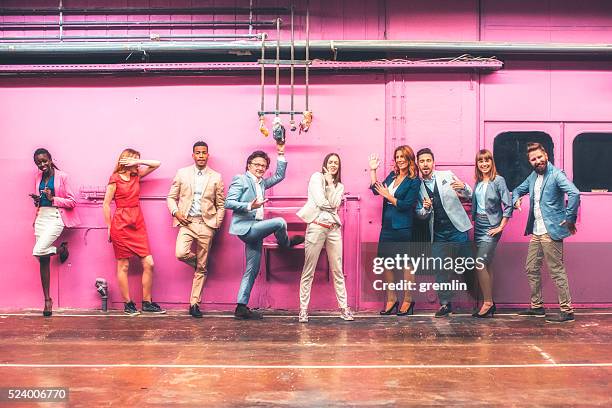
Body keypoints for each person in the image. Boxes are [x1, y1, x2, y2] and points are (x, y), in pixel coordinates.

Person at [225, 142, 304, 320]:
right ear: (249, 165)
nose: (260, 168)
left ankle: (241, 306)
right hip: (246, 228)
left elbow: (279, 175)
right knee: (279, 222)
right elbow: (228, 202)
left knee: (252, 269)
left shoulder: (261, 183)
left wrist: (281, 152)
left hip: (256, 229)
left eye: (263, 165)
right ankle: (286, 243)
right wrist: (248, 205)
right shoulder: (241, 179)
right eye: (257, 165)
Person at [512, 142, 580, 323]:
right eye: (533, 159)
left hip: (551, 232)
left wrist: (570, 218)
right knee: (531, 268)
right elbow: (518, 189)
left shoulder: (557, 175)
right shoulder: (533, 177)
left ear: (546, 156)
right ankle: (537, 307)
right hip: (536, 231)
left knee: (556, 270)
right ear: (530, 162)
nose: (537, 161)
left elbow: (574, 193)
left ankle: (567, 311)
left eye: (539, 157)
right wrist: (515, 199)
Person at [103, 148, 165, 316]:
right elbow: (106, 204)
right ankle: (128, 304)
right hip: (121, 224)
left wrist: (137, 162)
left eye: (138, 161)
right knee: (124, 265)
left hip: (137, 222)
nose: (137, 164)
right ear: (125, 161)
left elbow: (157, 164)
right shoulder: (114, 179)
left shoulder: (136, 175)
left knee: (149, 263)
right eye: (134, 160)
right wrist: (109, 226)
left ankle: (147, 302)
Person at [167, 141, 225, 318]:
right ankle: (203, 264)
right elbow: (171, 197)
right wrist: (176, 213)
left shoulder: (216, 177)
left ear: (208, 155)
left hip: (206, 224)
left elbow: (221, 204)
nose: (201, 155)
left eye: (204, 153)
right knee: (180, 253)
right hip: (187, 222)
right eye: (198, 153)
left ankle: (194, 303)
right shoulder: (182, 173)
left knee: (200, 269)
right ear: (193, 155)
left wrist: (216, 224)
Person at [416, 148, 472, 317]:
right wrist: (424, 209)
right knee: (440, 269)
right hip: (437, 233)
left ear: (433, 162)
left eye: (428, 160)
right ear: (418, 164)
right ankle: (445, 304)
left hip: (457, 228)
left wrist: (464, 188)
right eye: (422, 161)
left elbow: (467, 194)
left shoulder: (447, 175)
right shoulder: (416, 186)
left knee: (468, 265)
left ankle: (483, 300)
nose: (425, 164)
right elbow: (419, 213)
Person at [296, 153, 353, 323]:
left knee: (337, 270)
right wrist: (328, 189)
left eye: (336, 162)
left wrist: (330, 184)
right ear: (325, 164)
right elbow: (321, 202)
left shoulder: (339, 186)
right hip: (316, 227)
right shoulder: (316, 177)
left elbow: (334, 204)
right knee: (309, 269)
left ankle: (343, 308)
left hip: (334, 229)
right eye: (331, 162)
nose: (333, 165)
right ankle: (303, 310)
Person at [369, 145, 421, 316]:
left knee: (407, 265)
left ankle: (408, 300)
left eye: (403, 157)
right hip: (388, 226)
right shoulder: (393, 176)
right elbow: (377, 190)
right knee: (386, 263)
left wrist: (388, 196)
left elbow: (406, 205)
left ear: (409, 159)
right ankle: (392, 299)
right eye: (397, 157)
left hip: (403, 228)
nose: (399, 160)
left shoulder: (414, 181)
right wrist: (373, 170)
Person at [31, 148, 80, 317]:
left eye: (44, 161)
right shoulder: (37, 177)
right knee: (43, 260)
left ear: (50, 159)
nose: (42, 165)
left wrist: (53, 199)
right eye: (38, 163)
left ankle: (61, 250)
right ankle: (47, 300)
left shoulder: (62, 177)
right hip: (41, 217)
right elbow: (41, 200)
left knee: (38, 251)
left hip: (55, 217)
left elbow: (72, 202)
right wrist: (38, 201)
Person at [471, 149, 513, 318]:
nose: (484, 164)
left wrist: (501, 226)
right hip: (479, 225)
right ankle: (490, 302)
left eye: (487, 160)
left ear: (491, 162)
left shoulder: (498, 180)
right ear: (477, 164)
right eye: (481, 161)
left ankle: (488, 303)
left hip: (491, 226)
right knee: (486, 264)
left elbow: (508, 205)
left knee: (479, 263)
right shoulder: (478, 182)